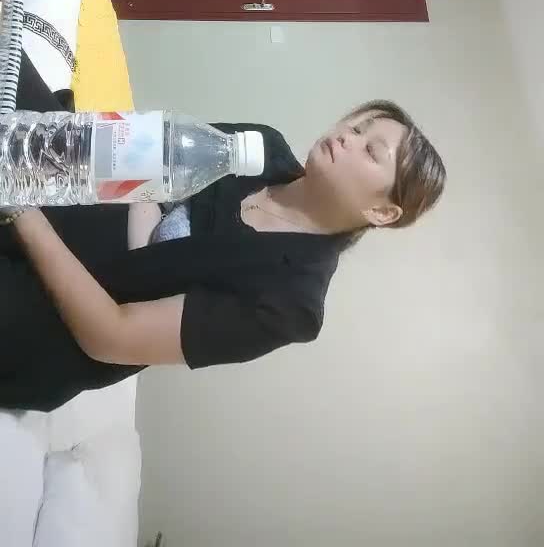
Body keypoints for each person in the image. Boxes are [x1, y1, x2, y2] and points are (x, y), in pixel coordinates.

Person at [0, 50, 446, 412]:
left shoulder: (290, 303)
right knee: (9, 64)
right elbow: (144, 160)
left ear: (382, 211)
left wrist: (20, 208)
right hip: (82, 204)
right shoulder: (263, 147)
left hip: (59, 321)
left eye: (371, 150)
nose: (347, 135)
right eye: (358, 125)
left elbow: (110, 335)